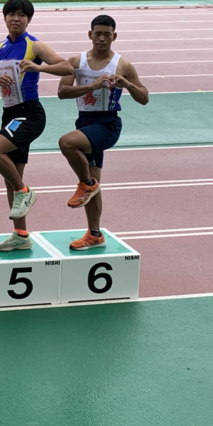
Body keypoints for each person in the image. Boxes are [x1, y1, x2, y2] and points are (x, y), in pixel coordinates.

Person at [0, 0, 73, 251]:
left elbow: (67, 67)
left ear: (28, 19)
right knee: (11, 177)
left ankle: (25, 191)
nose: (16, 19)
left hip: (29, 113)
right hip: (9, 113)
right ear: (5, 17)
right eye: (12, 14)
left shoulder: (35, 45)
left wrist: (38, 68)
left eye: (22, 15)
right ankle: (21, 236)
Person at [57, 15, 149, 250]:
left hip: (108, 124)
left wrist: (127, 84)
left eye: (107, 34)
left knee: (67, 143)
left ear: (114, 36)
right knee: (94, 183)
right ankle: (95, 234)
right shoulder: (76, 62)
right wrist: (92, 85)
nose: (101, 38)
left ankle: (86, 184)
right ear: (90, 34)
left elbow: (144, 98)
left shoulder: (122, 65)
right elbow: (62, 92)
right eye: (97, 33)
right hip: (85, 122)